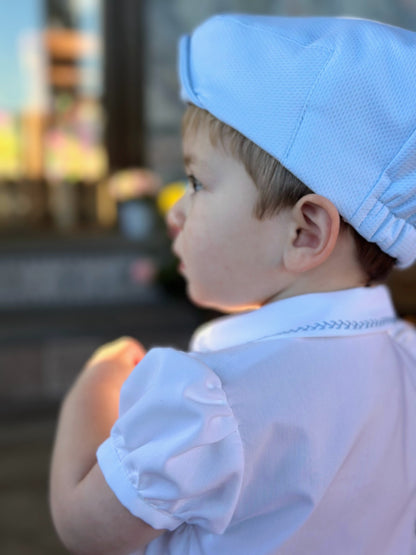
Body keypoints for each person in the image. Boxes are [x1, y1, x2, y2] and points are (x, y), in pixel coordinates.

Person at [50, 14, 416, 555]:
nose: (176, 211)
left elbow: (88, 530)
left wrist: (94, 387)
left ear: (305, 231)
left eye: (198, 182)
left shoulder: (209, 403)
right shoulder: (406, 361)